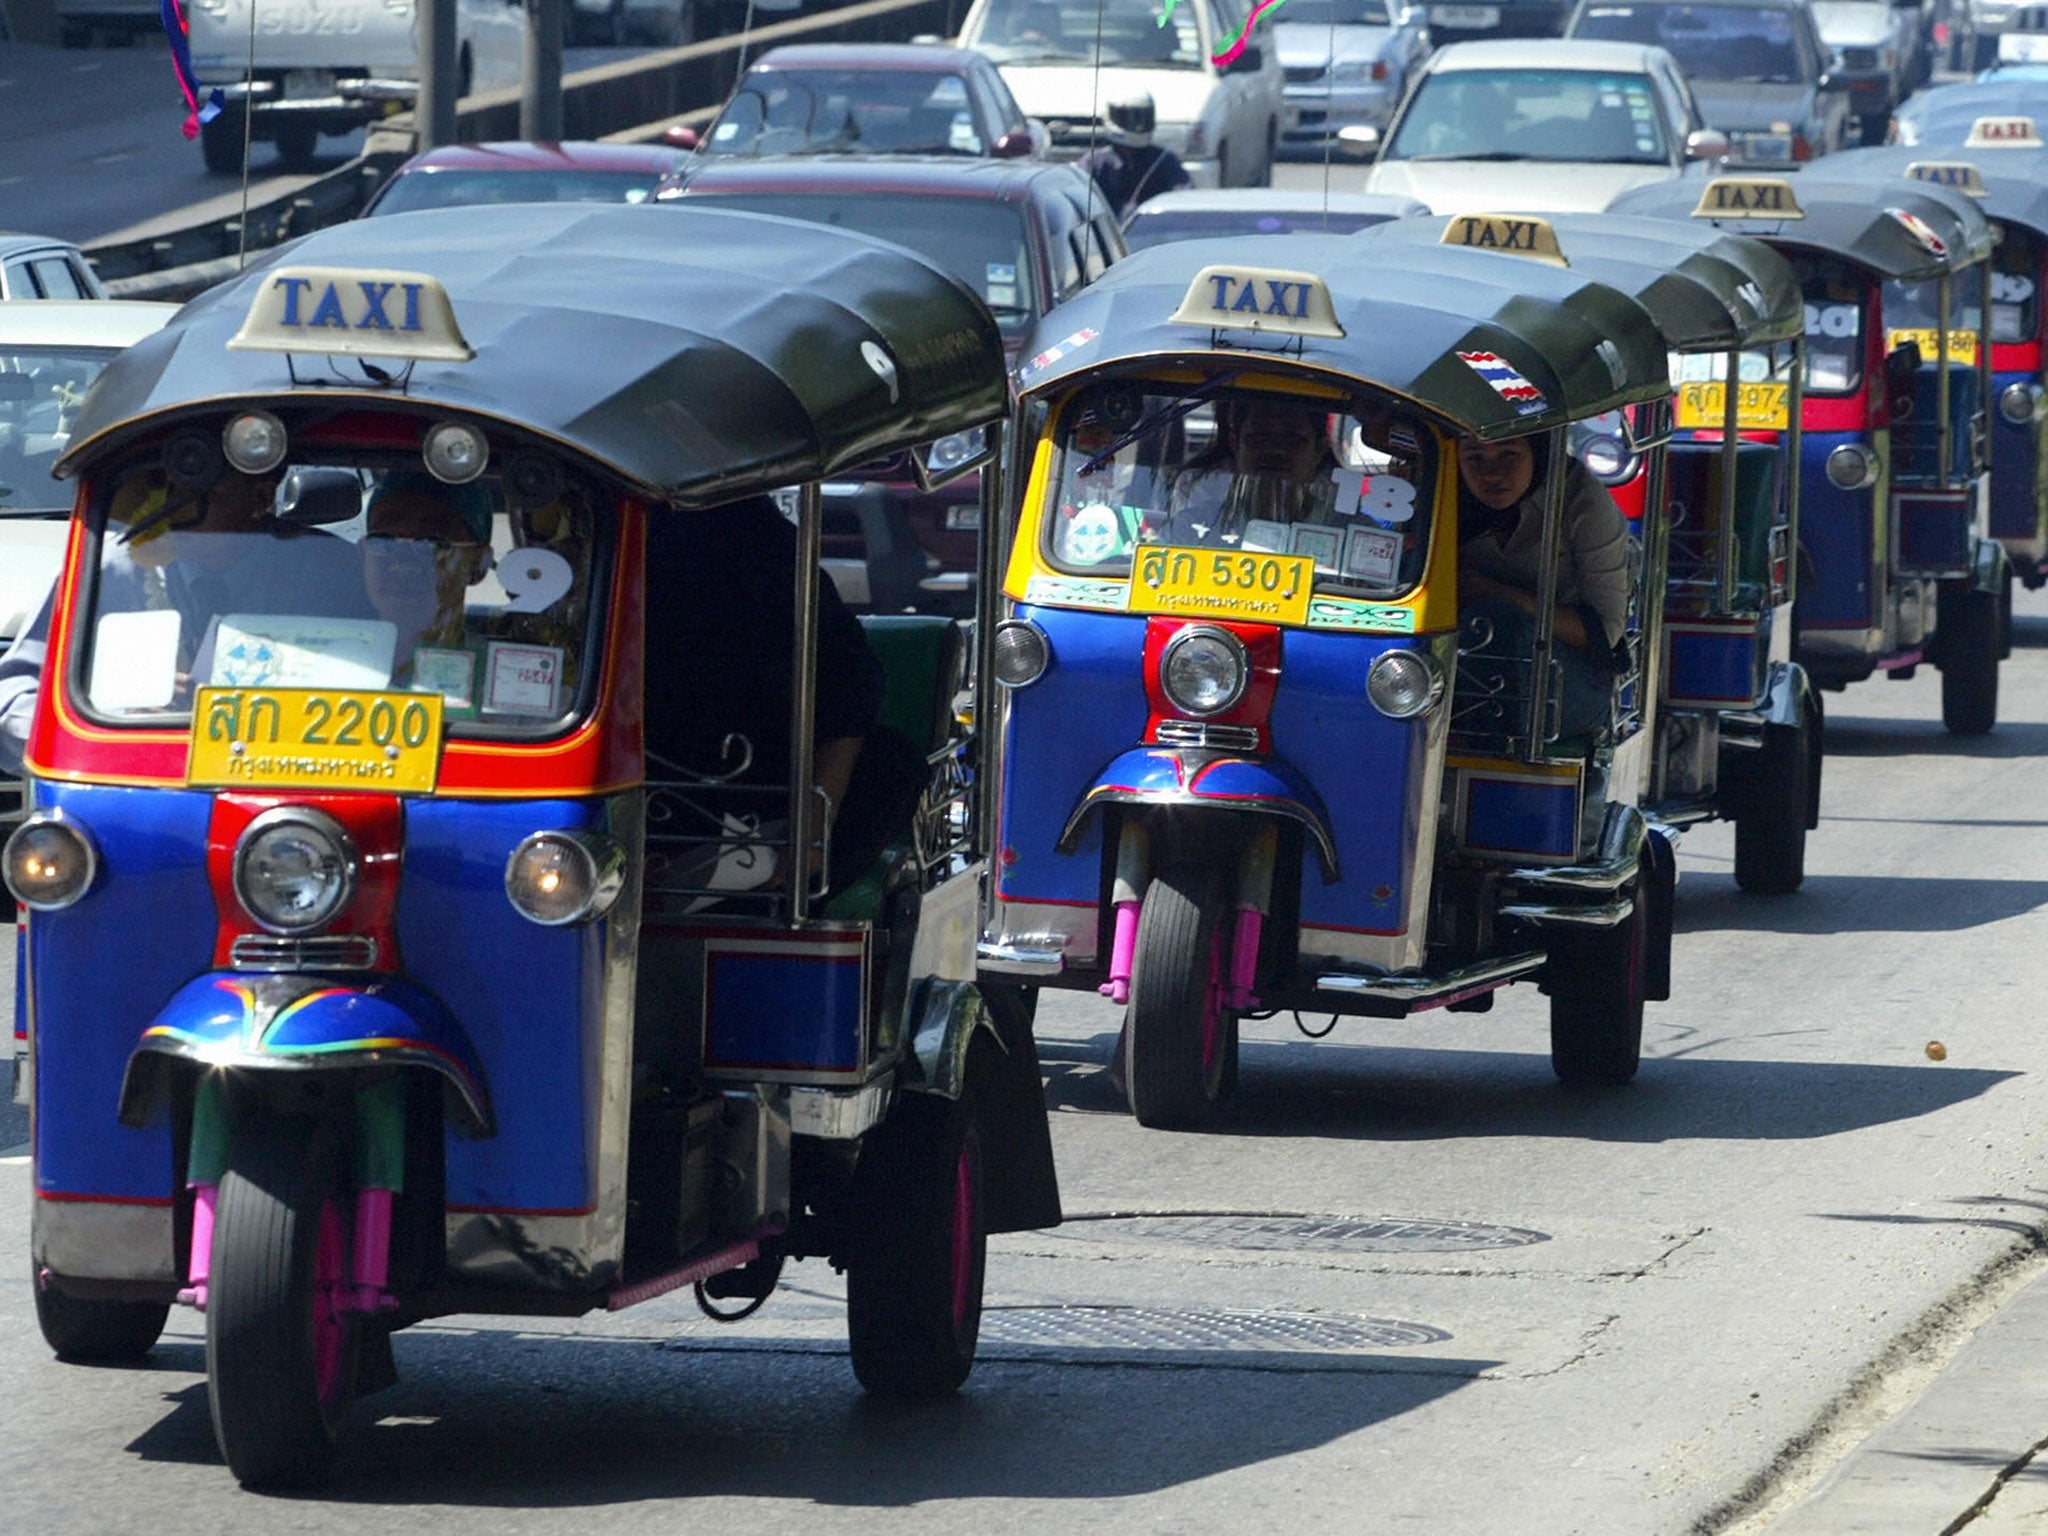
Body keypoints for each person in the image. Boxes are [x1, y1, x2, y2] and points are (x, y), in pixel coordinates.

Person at [0, 466, 371, 774]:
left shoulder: (325, 568)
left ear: (260, 498)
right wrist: (111, 719)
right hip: (143, 791)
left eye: (200, 498)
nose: (175, 513)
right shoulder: (111, 569)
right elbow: (12, 695)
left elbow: (383, 678)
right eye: (168, 494)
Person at [642, 494, 923, 894]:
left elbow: (851, 687)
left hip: (757, 800)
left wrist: (810, 829)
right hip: (641, 800)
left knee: (892, 763)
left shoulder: (747, 548)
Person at [1455, 433, 1633, 739]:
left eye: (1508, 454)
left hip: (1572, 681)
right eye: (1474, 459)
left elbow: (1604, 632)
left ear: (1538, 452)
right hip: (1469, 673)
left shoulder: (1579, 499)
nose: (1492, 473)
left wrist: (1503, 595)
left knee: (1491, 616)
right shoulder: (1446, 493)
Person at [1163, 395, 1341, 543]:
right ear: (1235, 444)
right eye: (1259, 437)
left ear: (1319, 449)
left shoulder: (1349, 532)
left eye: (1292, 439)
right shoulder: (1189, 529)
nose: (1275, 450)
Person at [1080, 91, 1191, 219]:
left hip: (1152, 232)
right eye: (1127, 118)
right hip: (1106, 233)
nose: (1137, 125)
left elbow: (1184, 198)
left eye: (1142, 119)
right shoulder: (1095, 162)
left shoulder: (1163, 160)